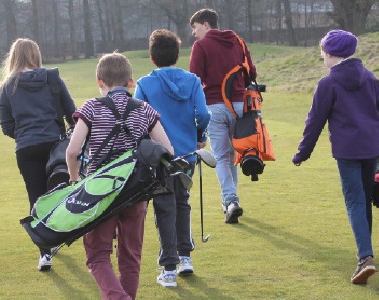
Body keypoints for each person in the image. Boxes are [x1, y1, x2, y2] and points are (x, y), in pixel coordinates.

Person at [292, 30, 379, 285]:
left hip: (348, 152)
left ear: (330, 54)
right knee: (363, 199)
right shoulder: (371, 78)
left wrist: (302, 153)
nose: (322, 56)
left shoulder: (328, 83)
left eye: (323, 52)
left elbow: (314, 122)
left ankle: (365, 256)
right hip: (371, 149)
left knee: (355, 202)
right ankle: (366, 252)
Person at [65, 52, 173, 300]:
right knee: (130, 256)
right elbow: (168, 150)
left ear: (99, 81)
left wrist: (74, 179)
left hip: (100, 190)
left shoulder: (91, 107)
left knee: (97, 254)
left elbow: (72, 151)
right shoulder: (144, 109)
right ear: (130, 82)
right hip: (136, 190)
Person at [134, 29, 210, 287]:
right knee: (182, 202)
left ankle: (168, 268)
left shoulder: (145, 84)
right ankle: (185, 256)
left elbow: (137, 118)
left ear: (152, 57)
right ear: (177, 55)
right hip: (187, 154)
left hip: (160, 156)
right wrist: (199, 134)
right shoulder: (192, 81)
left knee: (164, 206)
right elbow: (204, 114)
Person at [0, 38, 76, 271]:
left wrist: (23, 134)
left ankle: (45, 252)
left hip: (27, 147)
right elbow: (72, 113)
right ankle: (57, 236)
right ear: (35, 55)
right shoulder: (52, 78)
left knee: (36, 197)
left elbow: (6, 126)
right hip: (53, 143)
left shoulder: (8, 86)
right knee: (58, 193)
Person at [189, 8, 257, 224]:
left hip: (215, 106)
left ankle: (230, 200)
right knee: (232, 156)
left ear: (206, 24)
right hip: (240, 106)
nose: (194, 33)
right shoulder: (237, 40)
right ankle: (230, 202)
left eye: (195, 27)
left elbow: (195, 79)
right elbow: (252, 73)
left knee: (221, 157)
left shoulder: (201, 46)